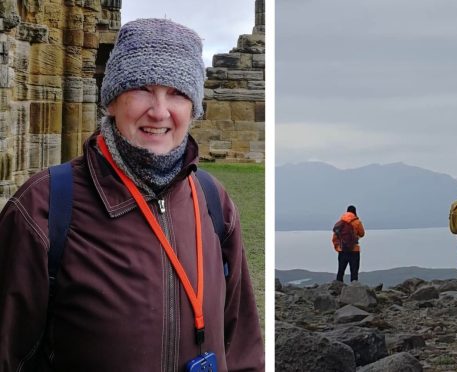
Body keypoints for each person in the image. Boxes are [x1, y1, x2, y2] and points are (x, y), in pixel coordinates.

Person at [0, 19, 264, 371]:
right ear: (111, 100)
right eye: (141, 88)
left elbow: (242, 345)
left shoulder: (214, 203)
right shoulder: (42, 208)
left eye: (177, 93)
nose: (159, 111)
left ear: (194, 109)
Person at [332, 205, 365, 282]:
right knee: (354, 272)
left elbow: (335, 237)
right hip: (354, 250)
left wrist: (337, 248)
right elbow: (362, 234)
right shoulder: (357, 222)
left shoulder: (340, 223)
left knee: (340, 271)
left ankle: (337, 289)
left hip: (342, 249)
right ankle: (354, 290)